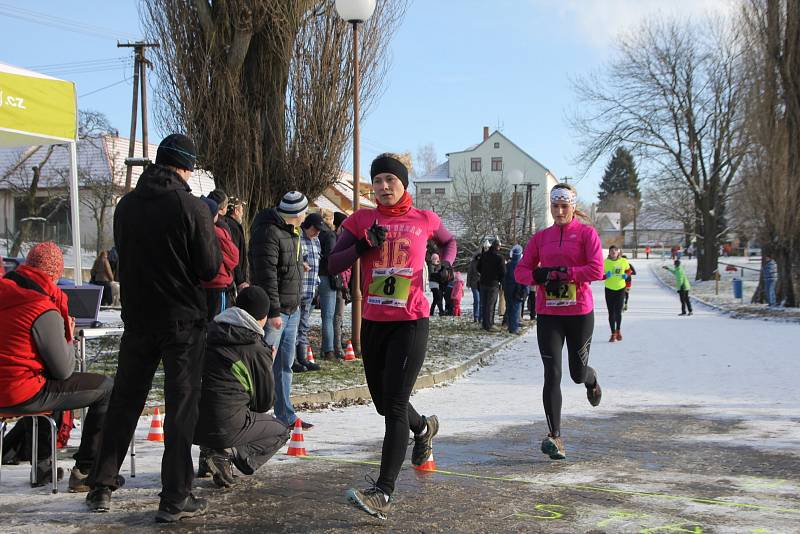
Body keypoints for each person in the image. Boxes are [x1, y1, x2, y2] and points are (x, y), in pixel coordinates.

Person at [86, 133, 222, 522]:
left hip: (138, 319)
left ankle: (101, 484)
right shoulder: (189, 206)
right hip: (182, 321)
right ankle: (175, 497)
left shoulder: (126, 206)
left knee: (125, 401)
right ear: (185, 169)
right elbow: (209, 268)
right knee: (181, 408)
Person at [328, 152, 456, 520]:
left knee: (395, 406)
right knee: (385, 404)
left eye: (390, 181)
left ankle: (383, 491)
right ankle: (424, 427)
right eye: (378, 181)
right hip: (374, 321)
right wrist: (361, 247)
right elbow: (333, 264)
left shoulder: (425, 219)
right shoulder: (360, 220)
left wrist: (445, 265)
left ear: (403, 184)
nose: (383, 188)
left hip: (411, 320)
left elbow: (450, 243)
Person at [0, 242, 113, 490]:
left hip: (7, 387)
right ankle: (86, 470)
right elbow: (64, 370)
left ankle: (43, 468)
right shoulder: (41, 307)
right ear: (56, 274)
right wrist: (68, 336)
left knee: (43, 381)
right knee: (105, 387)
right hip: (20, 392)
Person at [514, 183, 604, 461]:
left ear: (573, 206)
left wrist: (567, 273)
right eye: (555, 206)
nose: (560, 210)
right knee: (552, 374)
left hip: (579, 313)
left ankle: (592, 380)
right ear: (551, 207)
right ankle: (555, 437)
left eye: (565, 205)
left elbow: (597, 269)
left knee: (577, 374)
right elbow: (520, 271)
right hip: (550, 314)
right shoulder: (541, 238)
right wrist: (537, 276)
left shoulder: (587, 234)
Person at [194, 286, 291, 488]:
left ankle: (208, 455)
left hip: (191, 422)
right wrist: (267, 365)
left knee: (218, 403)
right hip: (224, 425)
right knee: (281, 430)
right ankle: (227, 454)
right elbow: (264, 402)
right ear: (262, 317)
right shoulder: (255, 347)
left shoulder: (209, 331)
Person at [249, 191, 312, 430]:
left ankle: (285, 414)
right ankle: (254, 416)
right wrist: (273, 312)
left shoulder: (291, 232)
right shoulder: (269, 233)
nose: (306, 215)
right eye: (304, 211)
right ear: (296, 214)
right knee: (263, 364)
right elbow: (267, 276)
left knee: (285, 364)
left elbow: (286, 266)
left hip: (292, 308)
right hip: (276, 312)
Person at [200, 196, 240, 321]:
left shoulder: (196, 228)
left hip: (204, 284)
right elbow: (234, 257)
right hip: (218, 284)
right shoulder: (217, 231)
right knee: (218, 321)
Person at [294, 213, 323, 372]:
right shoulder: (298, 238)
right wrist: (301, 264)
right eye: (315, 229)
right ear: (307, 226)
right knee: (293, 327)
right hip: (297, 291)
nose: (317, 232)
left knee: (304, 327)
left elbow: (317, 264)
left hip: (310, 290)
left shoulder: (316, 241)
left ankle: (303, 358)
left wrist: (317, 287)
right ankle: (292, 360)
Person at [316, 210, 339, 361]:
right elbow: (332, 257)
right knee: (328, 316)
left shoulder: (315, 232)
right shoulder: (329, 234)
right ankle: (328, 350)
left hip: (312, 275)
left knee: (304, 315)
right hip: (326, 276)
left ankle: (301, 350)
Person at [332, 211, 350, 359]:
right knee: (337, 316)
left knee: (338, 316)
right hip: (339, 283)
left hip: (342, 283)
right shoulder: (338, 240)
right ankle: (336, 347)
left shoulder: (339, 239)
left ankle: (337, 344)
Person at [603, 246, 630, 342]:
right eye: (611, 251)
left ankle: (618, 330)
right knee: (611, 312)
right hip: (609, 289)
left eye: (615, 250)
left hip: (620, 289)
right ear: (609, 253)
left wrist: (626, 275)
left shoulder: (623, 261)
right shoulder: (605, 262)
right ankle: (613, 333)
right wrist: (605, 276)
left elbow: (629, 270)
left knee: (618, 311)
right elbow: (599, 274)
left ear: (618, 252)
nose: (613, 252)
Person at [478, 238, 505, 331]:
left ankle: (485, 323)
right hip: (493, 283)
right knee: (491, 304)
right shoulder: (499, 258)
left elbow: (478, 268)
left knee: (484, 304)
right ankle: (489, 324)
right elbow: (503, 272)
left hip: (483, 282)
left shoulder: (484, 255)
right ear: (498, 247)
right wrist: (500, 281)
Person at [224, 197, 249, 292]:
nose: (243, 214)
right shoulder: (232, 227)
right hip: (233, 281)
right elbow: (233, 254)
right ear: (236, 211)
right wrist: (240, 281)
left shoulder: (227, 224)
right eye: (242, 210)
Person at [503, 245, 528, 335]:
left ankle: (510, 326)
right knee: (516, 309)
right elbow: (524, 278)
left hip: (508, 289)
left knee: (509, 308)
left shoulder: (508, 265)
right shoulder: (521, 265)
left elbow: (504, 278)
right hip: (518, 289)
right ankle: (514, 328)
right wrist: (525, 290)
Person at [467, 251, 482, 323]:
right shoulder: (473, 263)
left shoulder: (484, 262)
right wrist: (468, 283)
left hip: (482, 284)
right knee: (477, 300)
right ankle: (476, 316)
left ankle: (480, 316)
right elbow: (469, 273)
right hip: (474, 284)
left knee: (481, 301)